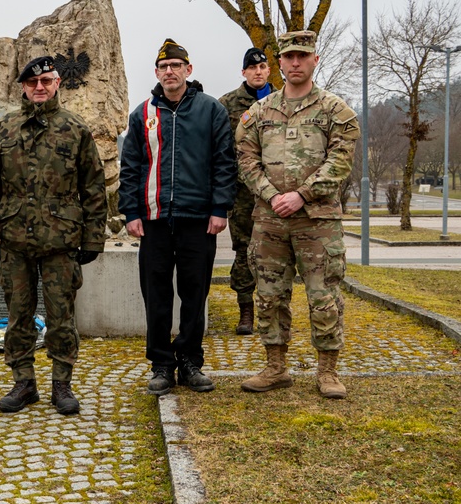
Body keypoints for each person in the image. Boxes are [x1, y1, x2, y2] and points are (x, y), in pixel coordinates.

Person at [0, 56, 106, 416]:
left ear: (57, 84)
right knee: (18, 315)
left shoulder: (75, 129)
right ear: (22, 87)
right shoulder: (4, 129)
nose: (39, 87)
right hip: (14, 240)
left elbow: (94, 189)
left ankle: (61, 383)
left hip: (61, 241)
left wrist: (93, 240)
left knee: (61, 315)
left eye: (46, 81)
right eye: (32, 83)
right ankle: (23, 382)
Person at [235, 30, 360, 399]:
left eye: (302, 56)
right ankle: (276, 367)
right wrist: (274, 195)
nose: (295, 63)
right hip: (270, 220)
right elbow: (245, 159)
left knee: (324, 296)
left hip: (318, 222)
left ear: (314, 60)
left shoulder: (337, 111)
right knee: (270, 296)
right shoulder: (259, 112)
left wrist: (301, 195)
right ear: (280, 62)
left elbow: (340, 161)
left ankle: (328, 371)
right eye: (289, 56)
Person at [118, 38, 236, 396]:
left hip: (197, 220)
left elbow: (224, 162)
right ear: (156, 73)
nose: (170, 72)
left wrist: (220, 208)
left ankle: (190, 361)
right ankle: (161, 364)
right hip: (153, 221)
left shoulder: (211, 110)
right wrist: (131, 212)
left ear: (188, 69)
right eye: (163, 67)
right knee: (155, 296)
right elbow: (131, 167)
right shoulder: (142, 114)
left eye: (176, 65)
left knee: (194, 294)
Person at [219, 48, 275, 335]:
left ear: (268, 70)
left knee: (276, 252)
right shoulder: (227, 104)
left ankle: (273, 310)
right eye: (252, 68)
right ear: (243, 72)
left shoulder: (284, 100)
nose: (257, 72)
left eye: (262, 67)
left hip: (277, 192)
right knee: (244, 250)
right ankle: (246, 310)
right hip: (242, 193)